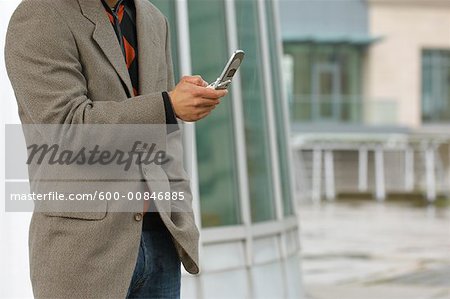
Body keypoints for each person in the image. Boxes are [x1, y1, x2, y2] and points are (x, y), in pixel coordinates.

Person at [4, 0, 227, 298]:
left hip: (161, 243)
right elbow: (67, 126)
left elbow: (167, 137)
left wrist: (180, 214)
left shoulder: (153, 19)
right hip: (83, 254)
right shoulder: (40, 14)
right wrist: (167, 105)